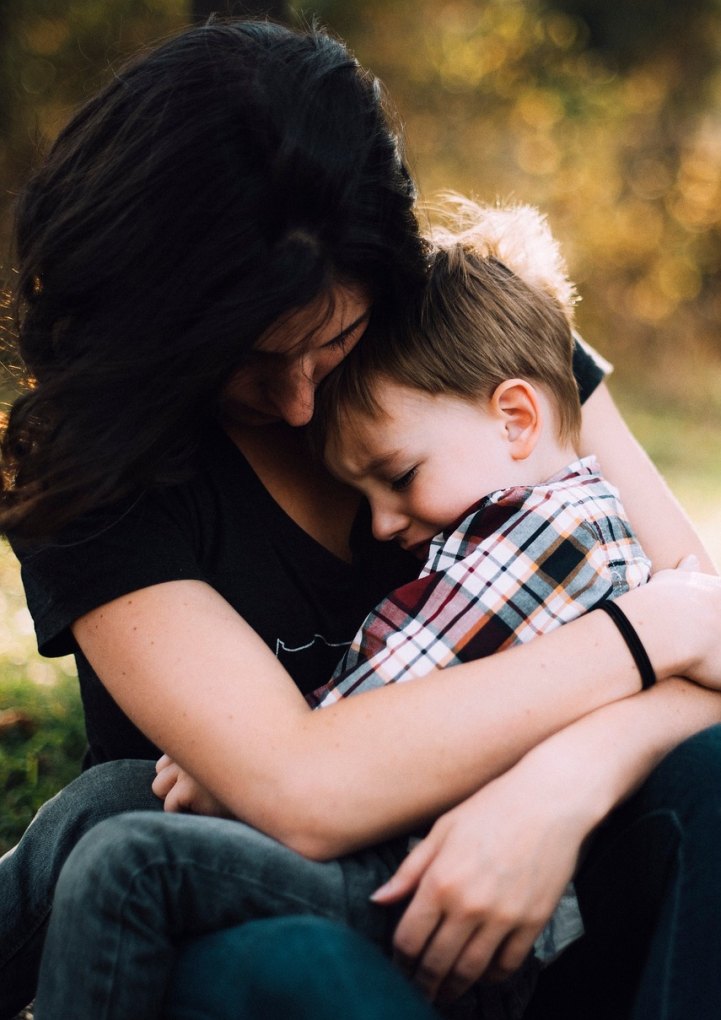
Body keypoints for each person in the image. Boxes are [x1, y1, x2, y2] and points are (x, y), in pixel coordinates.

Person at [1, 16, 721, 1020]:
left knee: (711, 776)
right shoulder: (95, 462)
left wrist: (558, 785)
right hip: (269, 913)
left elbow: (712, 655)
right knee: (276, 959)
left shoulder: (461, 339)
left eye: (331, 341)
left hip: (527, 892)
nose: (300, 403)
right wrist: (654, 631)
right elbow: (300, 788)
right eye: (248, 360)